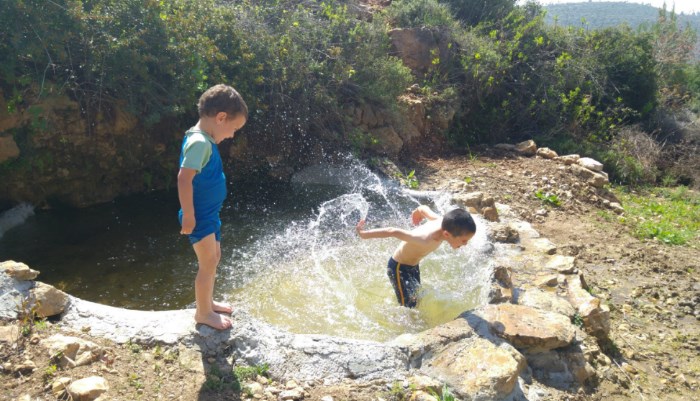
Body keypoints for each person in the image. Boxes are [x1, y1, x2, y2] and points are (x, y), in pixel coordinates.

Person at [177, 84, 248, 330]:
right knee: (207, 263)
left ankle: (207, 302)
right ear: (221, 118)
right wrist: (188, 215)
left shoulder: (205, 140)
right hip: (200, 216)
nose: (232, 135)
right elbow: (184, 178)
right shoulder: (199, 142)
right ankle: (203, 313)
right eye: (234, 128)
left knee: (214, 258)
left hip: (209, 214)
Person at [356, 205, 476, 308]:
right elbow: (392, 231)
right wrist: (364, 234)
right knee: (407, 306)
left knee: (416, 299)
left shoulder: (442, 222)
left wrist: (417, 212)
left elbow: (424, 208)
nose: (465, 244)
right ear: (446, 234)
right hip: (398, 268)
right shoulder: (424, 239)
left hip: (413, 266)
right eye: (464, 240)